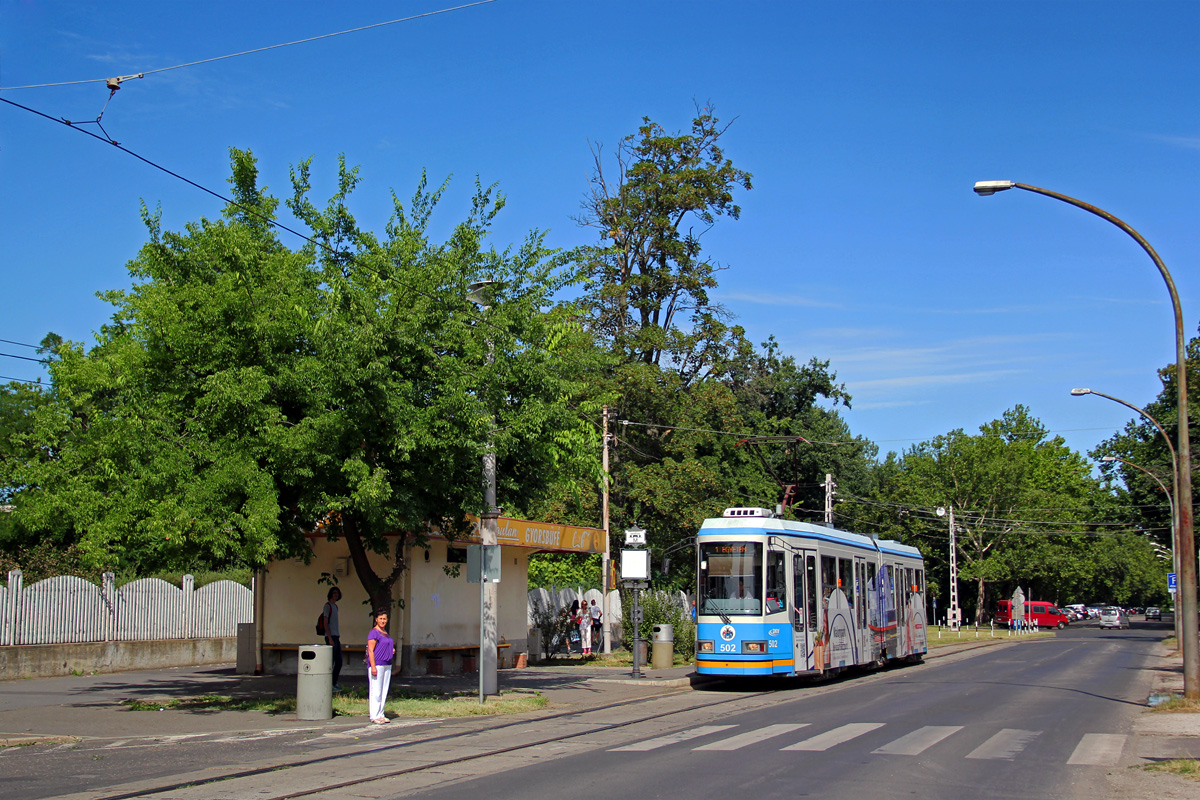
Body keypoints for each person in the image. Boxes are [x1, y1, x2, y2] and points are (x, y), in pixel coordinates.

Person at [366, 609, 394, 724]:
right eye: (380, 618)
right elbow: (371, 651)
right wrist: (373, 667)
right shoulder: (374, 633)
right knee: (376, 690)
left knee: (383, 690)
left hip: (387, 664)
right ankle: (374, 715)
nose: (382, 621)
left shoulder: (385, 633)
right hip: (377, 664)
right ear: (376, 619)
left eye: (384, 619)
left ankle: (381, 713)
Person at [322, 587, 343, 691]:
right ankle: (328, 683)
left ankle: (334, 682)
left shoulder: (335, 606)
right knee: (331, 661)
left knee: (339, 661)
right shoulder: (327, 606)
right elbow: (325, 623)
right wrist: (329, 638)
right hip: (331, 637)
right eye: (334, 593)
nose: (336, 595)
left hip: (336, 636)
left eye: (337, 593)